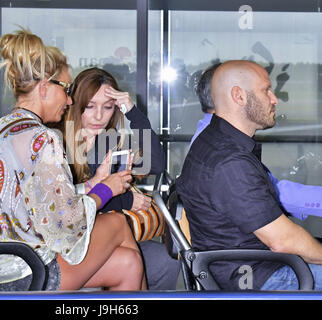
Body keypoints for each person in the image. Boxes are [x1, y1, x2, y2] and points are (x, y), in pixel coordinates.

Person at [0, 28, 146, 291]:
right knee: (118, 222)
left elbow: (41, 202)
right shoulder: (43, 139)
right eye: (65, 89)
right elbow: (66, 225)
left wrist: (94, 183)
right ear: (44, 88)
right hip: (29, 274)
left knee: (128, 263)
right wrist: (107, 190)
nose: (70, 99)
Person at [177, 60, 322, 290]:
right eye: (266, 90)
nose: (274, 99)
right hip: (256, 276)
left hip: (251, 264)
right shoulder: (228, 161)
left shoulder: (216, 141)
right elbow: (282, 240)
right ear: (239, 96)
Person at [60, 67, 179, 290]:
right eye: (89, 106)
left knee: (167, 263)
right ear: (75, 104)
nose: (98, 116)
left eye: (107, 107)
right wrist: (124, 201)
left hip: (110, 233)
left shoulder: (109, 141)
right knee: (136, 260)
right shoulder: (58, 141)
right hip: (72, 239)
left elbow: (156, 165)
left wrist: (133, 112)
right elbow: (63, 203)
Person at [192, 62, 322, 221]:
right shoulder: (221, 149)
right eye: (265, 91)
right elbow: (269, 196)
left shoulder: (211, 137)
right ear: (233, 95)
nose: (274, 100)